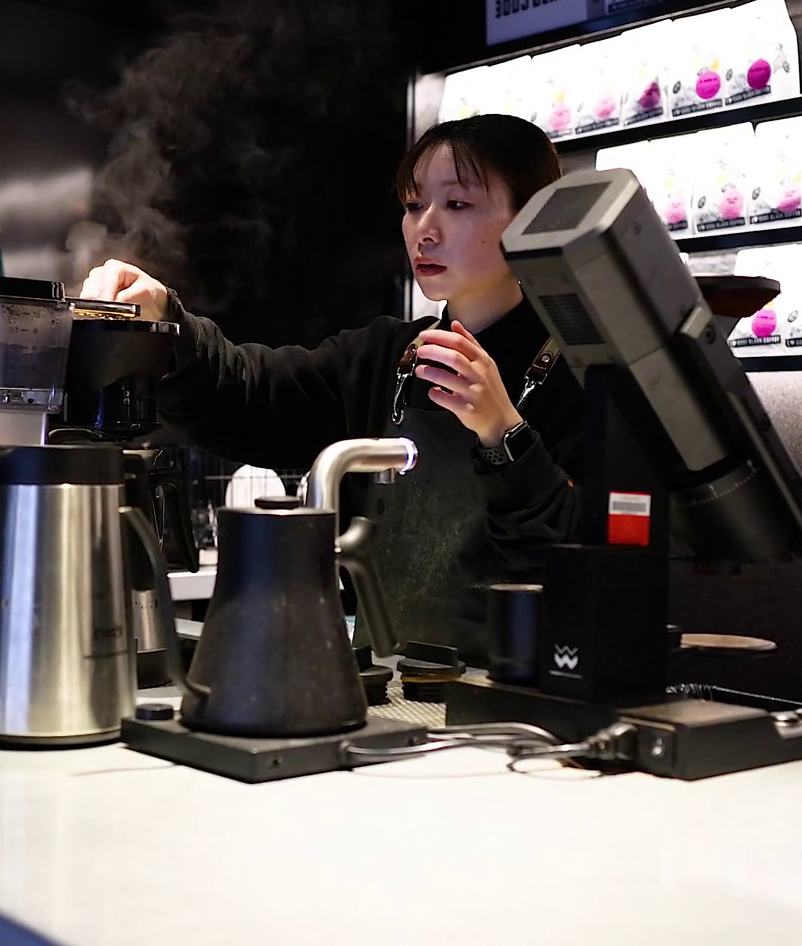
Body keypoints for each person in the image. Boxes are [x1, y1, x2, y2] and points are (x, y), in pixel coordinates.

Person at [80, 114, 583, 658]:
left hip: (511, 695)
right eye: (414, 205)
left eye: (457, 204)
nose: (425, 229)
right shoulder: (385, 357)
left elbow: (576, 574)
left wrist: (504, 434)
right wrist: (166, 322)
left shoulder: (584, 374)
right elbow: (251, 394)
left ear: (530, 220)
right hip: (392, 690)